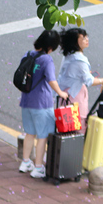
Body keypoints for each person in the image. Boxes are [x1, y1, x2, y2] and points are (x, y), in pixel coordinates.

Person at [18, 30, 69, 179]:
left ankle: (26, 162)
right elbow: (52, 80)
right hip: (42, 103)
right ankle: (39, 167)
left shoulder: (27, 55)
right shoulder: (47, 60)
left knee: (29, 133)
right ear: (51, 46)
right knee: (42, 136)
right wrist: (61, 93)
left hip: (26, 101)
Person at [58, 27, 103, 133]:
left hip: (66, 96)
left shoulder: (69, 56)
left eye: (86, 37)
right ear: (75, 42)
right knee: (78, 129)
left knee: (67, 130)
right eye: (83, 38)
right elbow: (89, 81)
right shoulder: (80, 60)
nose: (86, 39)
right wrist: (102, 81)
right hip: (75, 99)